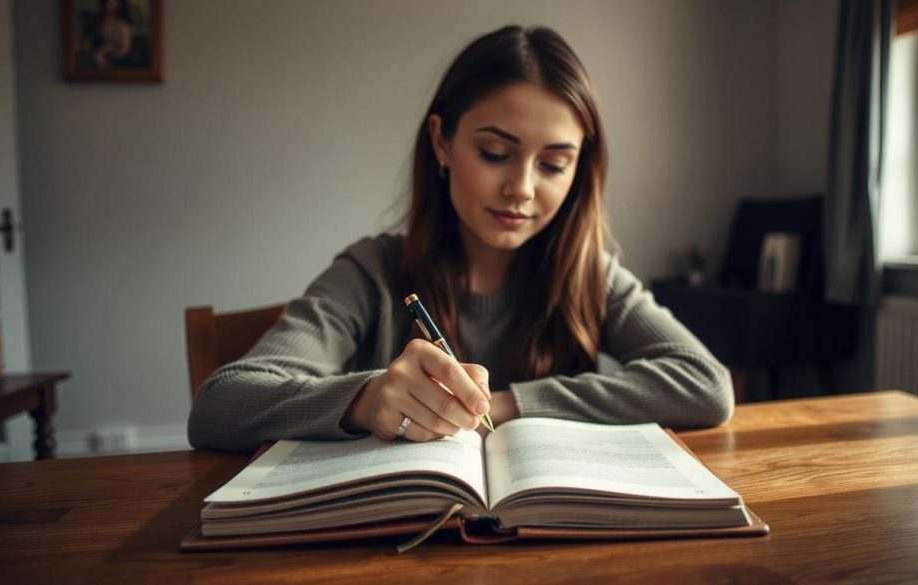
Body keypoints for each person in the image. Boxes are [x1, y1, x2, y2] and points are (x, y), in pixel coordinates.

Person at [187, 25, 733, 453]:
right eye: (495, 154)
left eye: (554, 164)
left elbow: (706, 385)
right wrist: (367, 399)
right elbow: (220, 404)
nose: (521, 189)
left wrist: (507, 404)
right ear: (442, 143)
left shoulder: (591, 274)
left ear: (579, 169)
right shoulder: (373, 271)